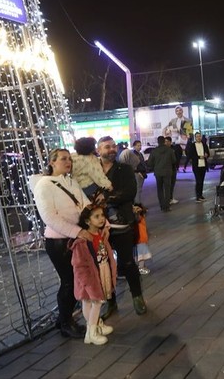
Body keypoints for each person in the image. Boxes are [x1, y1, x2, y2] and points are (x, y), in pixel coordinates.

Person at [31, 148, 92, 339]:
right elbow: (49, 217)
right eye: (63, 159)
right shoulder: (44, 185)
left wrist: (97, 222)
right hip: (58, 241)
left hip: (76, 238)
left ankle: (64, 319)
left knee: (75, 280)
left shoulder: (70, 181)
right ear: (52, 162)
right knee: (69, 281)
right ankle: (65, 323)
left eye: (70, 159)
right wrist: (78, 231)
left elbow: (85, 204)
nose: (68, 162)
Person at [96, 136, 147, 318]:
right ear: (98, 150)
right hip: (99, 227)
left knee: (127, 262)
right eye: (107, 147)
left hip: (122, 222)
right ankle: (110, 302)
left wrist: (107, 199)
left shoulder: (124, 169)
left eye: (113, 146)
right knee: (105, 265)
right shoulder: (92, 171)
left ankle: (137, 297)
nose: (111, 149)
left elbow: (129, 192)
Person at [70, 204, 116, 345]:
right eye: (97, 216)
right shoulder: (82, 241)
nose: (101, 219)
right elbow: (79, 264)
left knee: (90, 302)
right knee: (95, 302)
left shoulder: (100, 235)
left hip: (99, 271)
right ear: (88, 221)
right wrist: (87, 281)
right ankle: (91, 333)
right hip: (90, 277)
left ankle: (97, 324)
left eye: (102, 215)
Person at [146, 136, 176, 212]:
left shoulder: (154, 151)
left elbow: (149, 163)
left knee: (159, 189)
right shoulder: (170, 150)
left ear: (158, 142)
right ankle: (167, 206)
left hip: (158, 173)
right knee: (167, 189)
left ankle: (162, 206)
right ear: (164, 141)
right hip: (167, 172)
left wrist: (155, 165)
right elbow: (174, 160)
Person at [118, 140, 147, 204]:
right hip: (137, 174)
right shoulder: (132, 154)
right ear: (134, 146)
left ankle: (138, 203)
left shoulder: (140, 154)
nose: (140, 147)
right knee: (137, 190)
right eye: (138, 145)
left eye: (140, 145)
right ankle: (137, 204)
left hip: (141, 173)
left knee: (139, 190)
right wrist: (138, 172)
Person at [185, 131, 210, 202]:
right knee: (198, 181)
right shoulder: (192, 145)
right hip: (196, 166)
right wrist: (199, 157)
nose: (199, 138)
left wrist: (206, 155)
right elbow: (190, 155)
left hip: (203, 165)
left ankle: (201, 195)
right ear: (195, 138)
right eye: (197, 136)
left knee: (201, 181)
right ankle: (197, 196)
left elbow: (208, 153)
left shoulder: (204, 144)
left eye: (199, 136)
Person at [133, 203, 152, 274]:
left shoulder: (141, 217)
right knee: (141, 255)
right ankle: (140, 268)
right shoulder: (138, 217)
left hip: (141, 239)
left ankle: (141, 266)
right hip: (140, 240)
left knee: (140, 255)